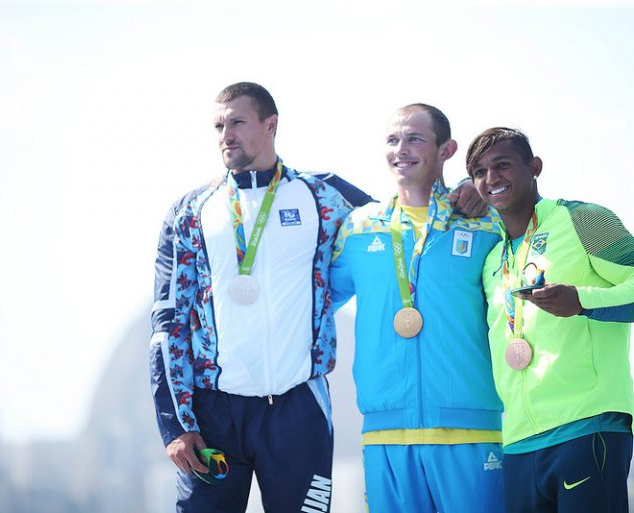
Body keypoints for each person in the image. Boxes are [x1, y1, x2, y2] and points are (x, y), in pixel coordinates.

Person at [149, 83, 483, 512]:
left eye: (236, 122)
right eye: (218, 125)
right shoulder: (189, 211)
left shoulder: (324, 196)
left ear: (271, 125)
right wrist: (175, 425)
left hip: (297, 409)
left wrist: (463, 191)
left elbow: (405, 213)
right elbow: (167, 324)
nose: (225, 135)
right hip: (215, 411)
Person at [466, 127, 634, 513]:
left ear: (535, 167)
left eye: (503, 165)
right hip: (518, 441)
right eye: (479, 171)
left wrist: (582, 301)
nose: (491, 178)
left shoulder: (586, 219)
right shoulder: (492, 260)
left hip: (587, 424)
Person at [329, 104, 505, 513]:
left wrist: (473, 185)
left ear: (447, 149)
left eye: (414, 139)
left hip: (470, 427)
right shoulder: (359, 227)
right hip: (386, 433)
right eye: (392, 140)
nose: (400, 149)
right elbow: (315, 301)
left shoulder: (484, 223)